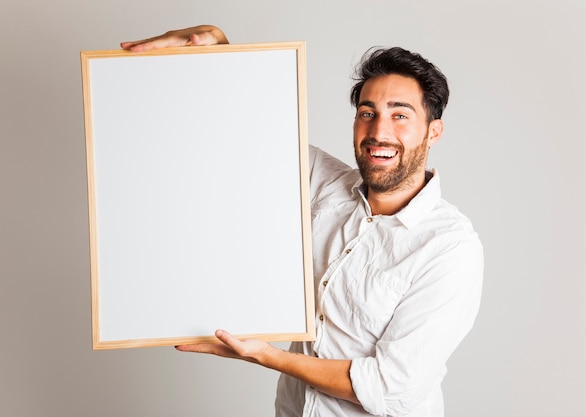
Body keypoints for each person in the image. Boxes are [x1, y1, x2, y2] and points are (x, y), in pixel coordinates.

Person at [121, 25, 484, 417]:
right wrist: (219, 54)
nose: (379, 132)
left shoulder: (450, 248)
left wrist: (268, 356)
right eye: (368, 113)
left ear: (433, 132)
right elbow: (254, 128)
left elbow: (390, 389)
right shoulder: (325, 184)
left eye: (400, 115)